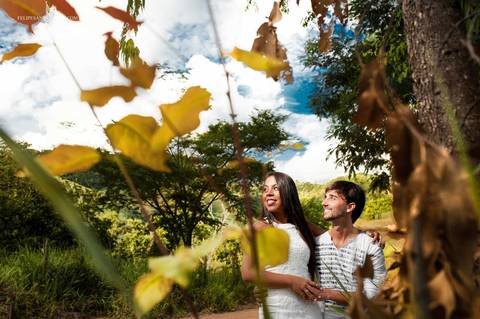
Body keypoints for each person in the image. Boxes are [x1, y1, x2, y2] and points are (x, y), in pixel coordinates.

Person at [241, 171, 324, 319]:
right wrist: (292, 281)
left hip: (309, 309)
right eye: (265, 189)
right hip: (277, 308)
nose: (269, 193)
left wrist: (366, 235)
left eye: (275, 188)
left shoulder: (302, 226)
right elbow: (248, 273)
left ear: (288, 192)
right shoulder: (257, 228)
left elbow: (336, 237)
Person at [315, 181, 386, 319]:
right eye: (325, 197)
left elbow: (371, 296)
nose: (324, 202)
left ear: (349, 207)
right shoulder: (316, 244)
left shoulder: (370, 246)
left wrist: (327, 294)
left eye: (332, 197)